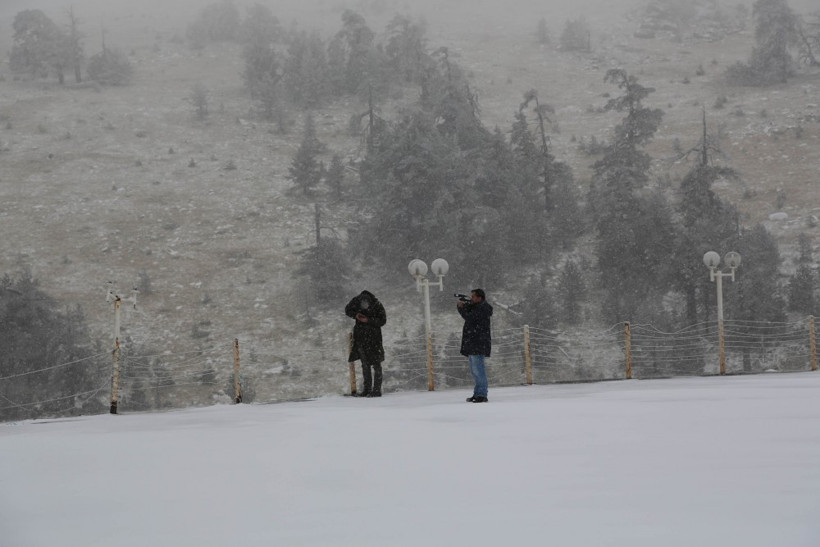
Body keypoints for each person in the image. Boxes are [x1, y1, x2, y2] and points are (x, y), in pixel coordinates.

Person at [345, 290, 387, 397]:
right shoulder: (356, 301)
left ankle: (375, 390)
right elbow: (347, 310)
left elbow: (382, 321)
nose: (365, 307)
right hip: (362, 339)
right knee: (366, 365)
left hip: (373, 340)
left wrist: (368, 320)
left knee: (374, 364)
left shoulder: (376, 304)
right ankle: (368, 390)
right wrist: (356, 315)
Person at [457, 288, 493, 403]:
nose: (471, 299)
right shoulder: (478, 307)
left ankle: (482, 394)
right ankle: (477, 393)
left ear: (479, 297)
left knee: (479, 370)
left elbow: (470, 317)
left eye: (473, 297)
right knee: (474, 370)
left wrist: (461, 308)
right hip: (474, 343)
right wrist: (464, 306)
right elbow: (470, 313)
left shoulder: (483, 308)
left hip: (478, 343)